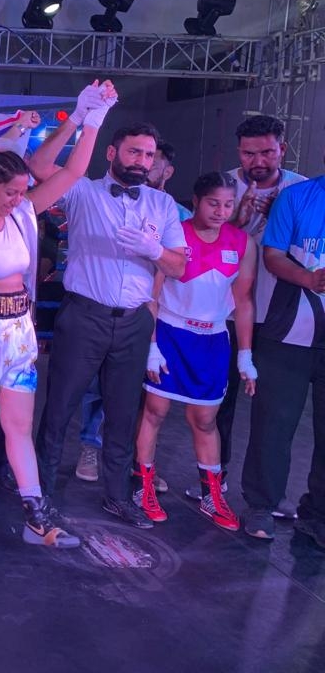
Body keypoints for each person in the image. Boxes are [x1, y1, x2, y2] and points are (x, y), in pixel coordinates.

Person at [0, 80, 114, 548]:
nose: (19, 199)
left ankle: (36, 513)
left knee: (19, 426)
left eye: (23, 192)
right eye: (11, 192)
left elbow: (73, 171)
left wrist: (89, 118)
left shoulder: (22, 214)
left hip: (18, 332)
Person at [35, 120, 187, 528]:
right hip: (84, 315)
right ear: (111, 153)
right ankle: (40, 494)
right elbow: (39, 166)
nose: (142, 161)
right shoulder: (82, 190)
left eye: (149, 155)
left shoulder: (162, 205)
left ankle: (117, 496)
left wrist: (154, 250)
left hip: (135, 321)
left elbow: (179, 266)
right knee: (59, 408)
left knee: (122, 414)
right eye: (134, 151)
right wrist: (82, 120)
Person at [134, 172, 257, 530]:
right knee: (154, 411)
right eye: (213, 203)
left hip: (213, 339)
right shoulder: (175, 235)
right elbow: (152, 295)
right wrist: (152, 346)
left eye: (228, 204)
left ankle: (211, 496)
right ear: (197, 200)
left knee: (205, 419)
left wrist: (246, 355)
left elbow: (244, 301)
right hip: (171, 333)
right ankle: (143, 487)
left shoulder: (243, 243)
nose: (221, 211)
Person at [211, 115, 306, 513]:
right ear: (239, 152)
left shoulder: (301, 190)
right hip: (226, 315)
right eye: (249, 154)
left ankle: (266, 494)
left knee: (274, 413)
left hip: (280, 317)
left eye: (267, 152)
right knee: (219, 404)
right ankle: (213, 481)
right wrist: (237, 222)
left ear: (282, 148)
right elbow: (201, 246)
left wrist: (277, 221)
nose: (258, 161)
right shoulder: (221, 187)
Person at [241, 169, 325, 545]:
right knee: (274, 424)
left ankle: (318, 515)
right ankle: (261, 505)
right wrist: (309, 279)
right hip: (289, 330)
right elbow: (272, 256)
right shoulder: (296, 197)